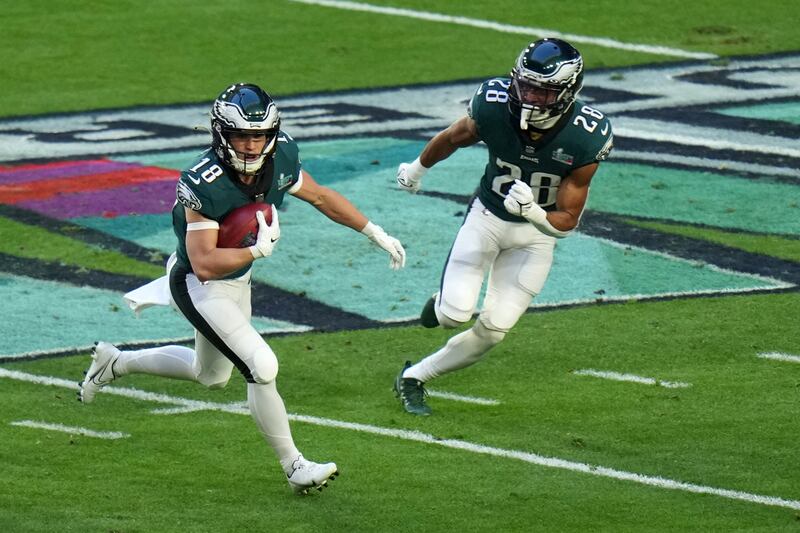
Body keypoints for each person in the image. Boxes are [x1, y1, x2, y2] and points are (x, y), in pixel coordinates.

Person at [79, 83, 406, 493]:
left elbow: (320, 196)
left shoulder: (281, 153)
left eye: (258, 136)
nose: (251, 146)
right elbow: (203, 262)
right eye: (240, 136)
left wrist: (373, 231)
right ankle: (294, 466)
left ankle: (116, 363)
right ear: (220, 134)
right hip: (199, 284)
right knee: (262, 366)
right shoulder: (203, 181)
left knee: (210, 376)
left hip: (236, 281)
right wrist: (256, 253)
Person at [393, 38, 613, 416]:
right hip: (487, 219)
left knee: (493, 330)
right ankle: (439, 303)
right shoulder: (495, 106)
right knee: (453, 316)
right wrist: (417, 168)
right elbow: (453, 137)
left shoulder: (585, 135)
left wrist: (535, 214)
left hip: (536, 239)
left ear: (567, 92)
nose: (529, 97)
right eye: (524, 85)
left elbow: (567, 223)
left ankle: (413, 377)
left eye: (542, 92)